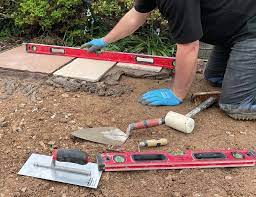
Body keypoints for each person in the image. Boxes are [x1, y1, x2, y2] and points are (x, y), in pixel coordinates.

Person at [83, 0, 256, 120]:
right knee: (214, 78)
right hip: (231, 32)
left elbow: (189, 47)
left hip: (250, 31)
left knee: (236, 105)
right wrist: (105, 40)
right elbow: (136, 16)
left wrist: (177, 93)